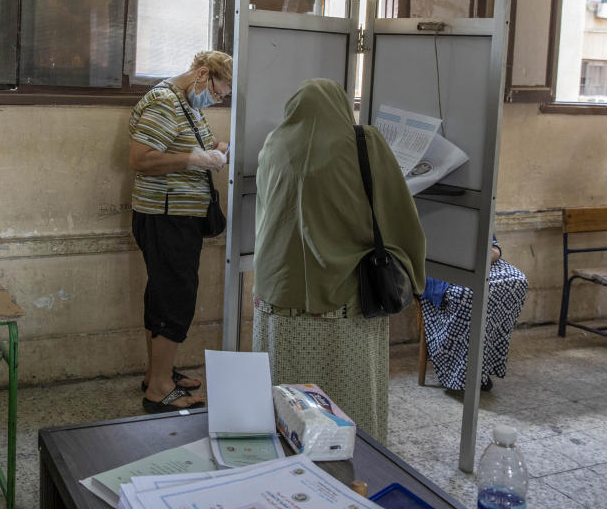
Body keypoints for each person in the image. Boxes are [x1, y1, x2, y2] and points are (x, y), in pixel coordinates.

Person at [252, 79, 426, 441]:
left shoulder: (274, 144)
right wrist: (411, 265)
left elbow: (266, 214)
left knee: (286, 397)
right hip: (348, 299)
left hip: (278, 295)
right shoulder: (365, 142)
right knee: (347, 395)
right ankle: (351, 462)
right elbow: (396, 211)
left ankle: (285, 461)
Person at [128, 50, 232, 414]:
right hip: (165, 216)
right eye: (218, 92)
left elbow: (200, 142)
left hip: (175, 215)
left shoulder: (186, 104)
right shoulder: (164, 103)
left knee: (163, 295)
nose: (216, 100)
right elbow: (140, 158)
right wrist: (193, 159)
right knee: (175, 299)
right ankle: (158, 389)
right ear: (202, 74)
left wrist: (220, 150)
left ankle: (158, 373)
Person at [419, 236, 528, 392]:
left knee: (518, 281)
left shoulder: (476, 211)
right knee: (467, 294)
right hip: (436, 266)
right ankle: (460, 373)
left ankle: (482, 365)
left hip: (477, 262)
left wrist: (480, 260)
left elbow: (495, 248)